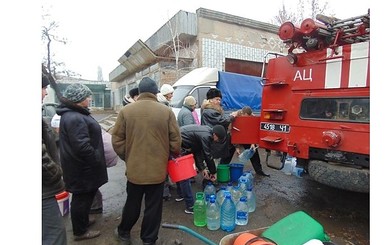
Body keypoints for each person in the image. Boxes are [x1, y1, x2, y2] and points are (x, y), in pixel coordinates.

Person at [111, 77, 181, 245]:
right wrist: (166, 155)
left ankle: (123, 233)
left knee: (132, 203)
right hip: (157, 171)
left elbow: (117, 140)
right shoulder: (166, 112)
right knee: (153, 207)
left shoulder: (126, 111)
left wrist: (128, 156)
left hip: (135, 170)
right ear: (156, 93)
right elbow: (176, 142)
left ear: (139, 92)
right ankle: (149, 240)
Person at [56, 83, 108, 241]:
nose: (89, 98)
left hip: (80, 166)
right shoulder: (75, 117)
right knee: (81, 198)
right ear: (79, 99)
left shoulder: (74, 114)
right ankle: (80, 231)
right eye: (87, 96)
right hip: (82, 167)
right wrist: (96, 158)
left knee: (86, 196)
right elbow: (82, 146)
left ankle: (83, 220)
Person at [42, 74, 67, 245]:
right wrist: (56, 173)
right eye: (43, 88)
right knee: (54, 235)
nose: (44, 93)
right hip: (44, 191)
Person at [180, 124, 229, 189]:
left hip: (184, 138)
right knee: (183, 169)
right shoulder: (206, 136)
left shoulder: (208, 131)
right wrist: (213, 172)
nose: (217, 141)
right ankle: (183, 192)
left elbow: (197, 151)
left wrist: (202, 169)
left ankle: (183, 187)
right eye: (218, 139)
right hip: (180, 139)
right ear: (215, 135)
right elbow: (208, 156)